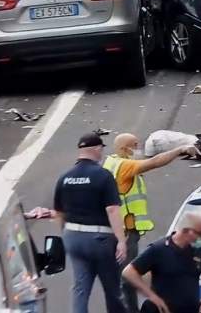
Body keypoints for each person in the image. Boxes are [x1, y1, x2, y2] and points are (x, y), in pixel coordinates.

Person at [102, 133, 200, 312]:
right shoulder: (124, 165)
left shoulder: (112, 162)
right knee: (128, 278)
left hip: (121, 230)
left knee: (129, 276)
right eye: (135, 145)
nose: (139, 148)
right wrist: (179, 149)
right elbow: (154, 162)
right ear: (124, 149)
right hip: (125, 232)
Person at [53, 132, 127, 313]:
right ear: (96, 149)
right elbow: (112, 209)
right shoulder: (103, 175)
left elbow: (59, 212)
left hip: (73, 237)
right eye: (101, 148)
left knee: (80, 287)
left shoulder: (65, 177)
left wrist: (65, 236)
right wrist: (121, 240)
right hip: (99, 238)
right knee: (112, 288)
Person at [122, 212, 201, 313]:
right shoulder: (159, 249)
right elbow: (129, 272)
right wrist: (151, 296)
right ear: (186, 231)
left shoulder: (198, 252)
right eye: (199, 234)